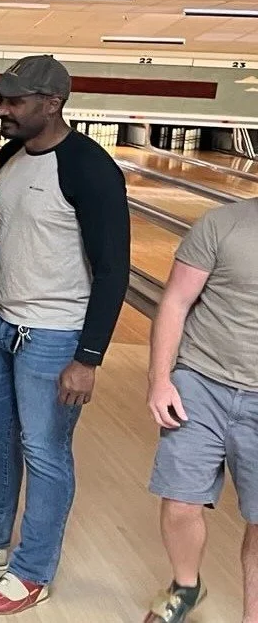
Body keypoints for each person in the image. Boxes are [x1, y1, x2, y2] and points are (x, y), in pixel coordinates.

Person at [0, 55, 129, 614]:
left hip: (55, 335)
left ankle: (32, 570)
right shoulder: (12, 154)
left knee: (44, 451)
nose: (2, 110)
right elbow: (18, 242)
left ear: (53, 103)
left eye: (14, 101)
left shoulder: (89, 168)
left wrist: (88, 356)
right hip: (1, 323)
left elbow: (114, 269)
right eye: (0, 98)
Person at [143, 197, 258, 623]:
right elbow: (175, 301)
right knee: (180, 503)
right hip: (201, 381)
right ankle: (186, 585)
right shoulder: (221, 224)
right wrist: (160, 378)